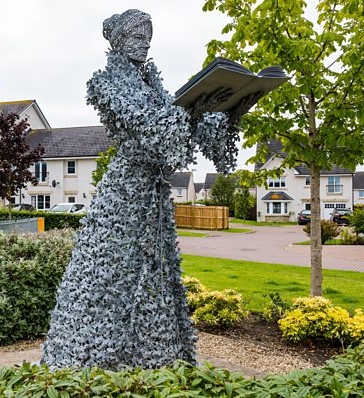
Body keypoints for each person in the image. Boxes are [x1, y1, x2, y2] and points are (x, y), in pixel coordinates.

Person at [41, 9, 260, 370]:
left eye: (148, 38)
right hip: (124, 195)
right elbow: (157, 131)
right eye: (137, 37)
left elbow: (188, 136)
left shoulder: (153, 89)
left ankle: (151, 354)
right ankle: (90, 356)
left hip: (154, 197)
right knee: (111, 272)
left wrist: (230, 110)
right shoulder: (106, 84)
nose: (143, 45)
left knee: (155, 271)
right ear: (118, 40)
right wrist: (190, 113)